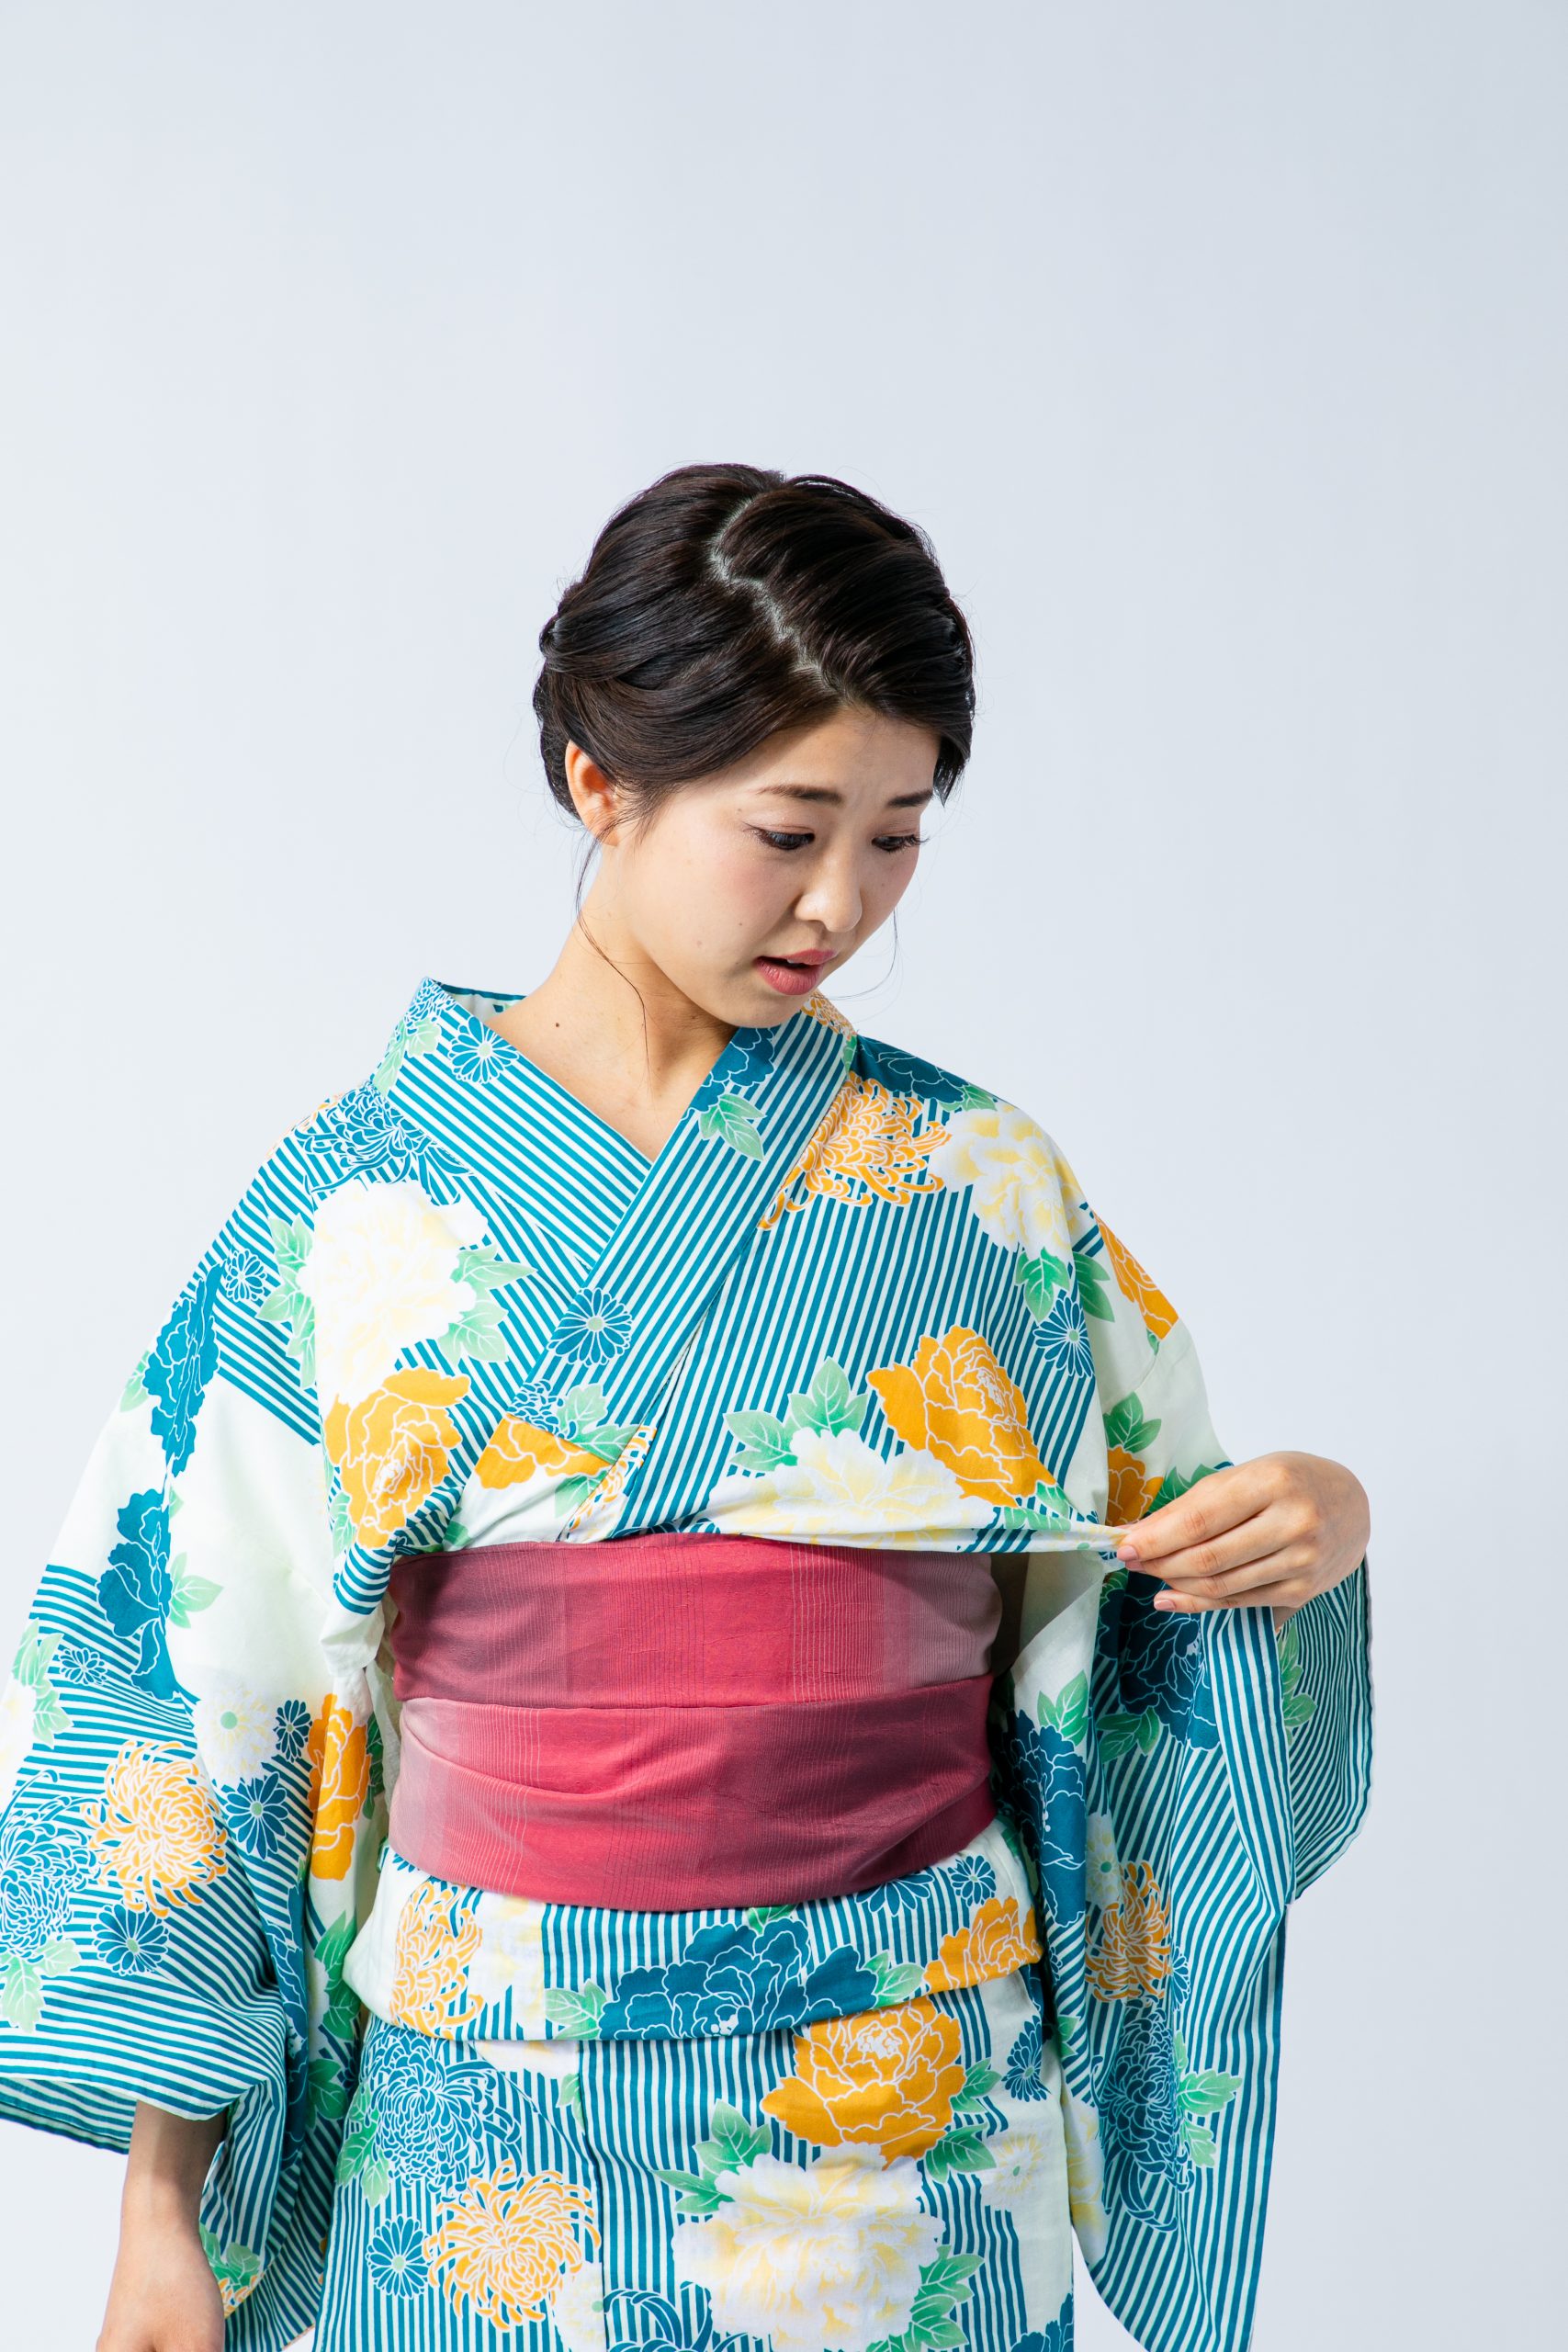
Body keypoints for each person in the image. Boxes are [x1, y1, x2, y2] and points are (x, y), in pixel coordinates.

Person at [0, 464, 1371, 2352]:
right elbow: (184, 1696)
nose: (841, 901)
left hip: (911, 2107)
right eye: (789, 828)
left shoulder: (980, 1182)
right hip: (492, 2118)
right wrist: (165, 2215)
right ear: (600, 779)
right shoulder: (355, 1206)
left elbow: (1159, 1577)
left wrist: (1311, 1520)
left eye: (897, 835)